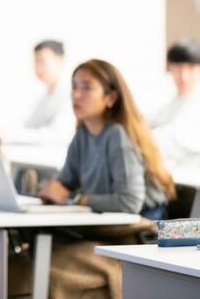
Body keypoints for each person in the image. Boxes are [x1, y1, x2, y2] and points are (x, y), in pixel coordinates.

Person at [39, 59, 176, 219]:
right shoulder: (82, 135)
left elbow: (129, 203)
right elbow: (64, 185)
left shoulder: (118, 135)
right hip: (108, 221)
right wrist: (49, 190)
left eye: (86, 87)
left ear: (110, 98)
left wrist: (72, 198)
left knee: (53, 243)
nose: (76, 95)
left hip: (141, 227)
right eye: (74, 87)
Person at [149, 40, 200, 168]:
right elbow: (156, 118)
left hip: (190, 175)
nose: (184, 76)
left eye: (191, 68)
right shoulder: (181, 98)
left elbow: (169, 136)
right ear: (170, 67)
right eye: (178, 68)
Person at [3, 40, 74, 145]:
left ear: (60, 60)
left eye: (42, 61)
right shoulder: (44, 96)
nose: (38, 67)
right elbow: (30, 126)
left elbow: (57, 136)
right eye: (36, 61)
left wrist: (9, 136)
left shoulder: (71, 95)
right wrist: (5, 133)